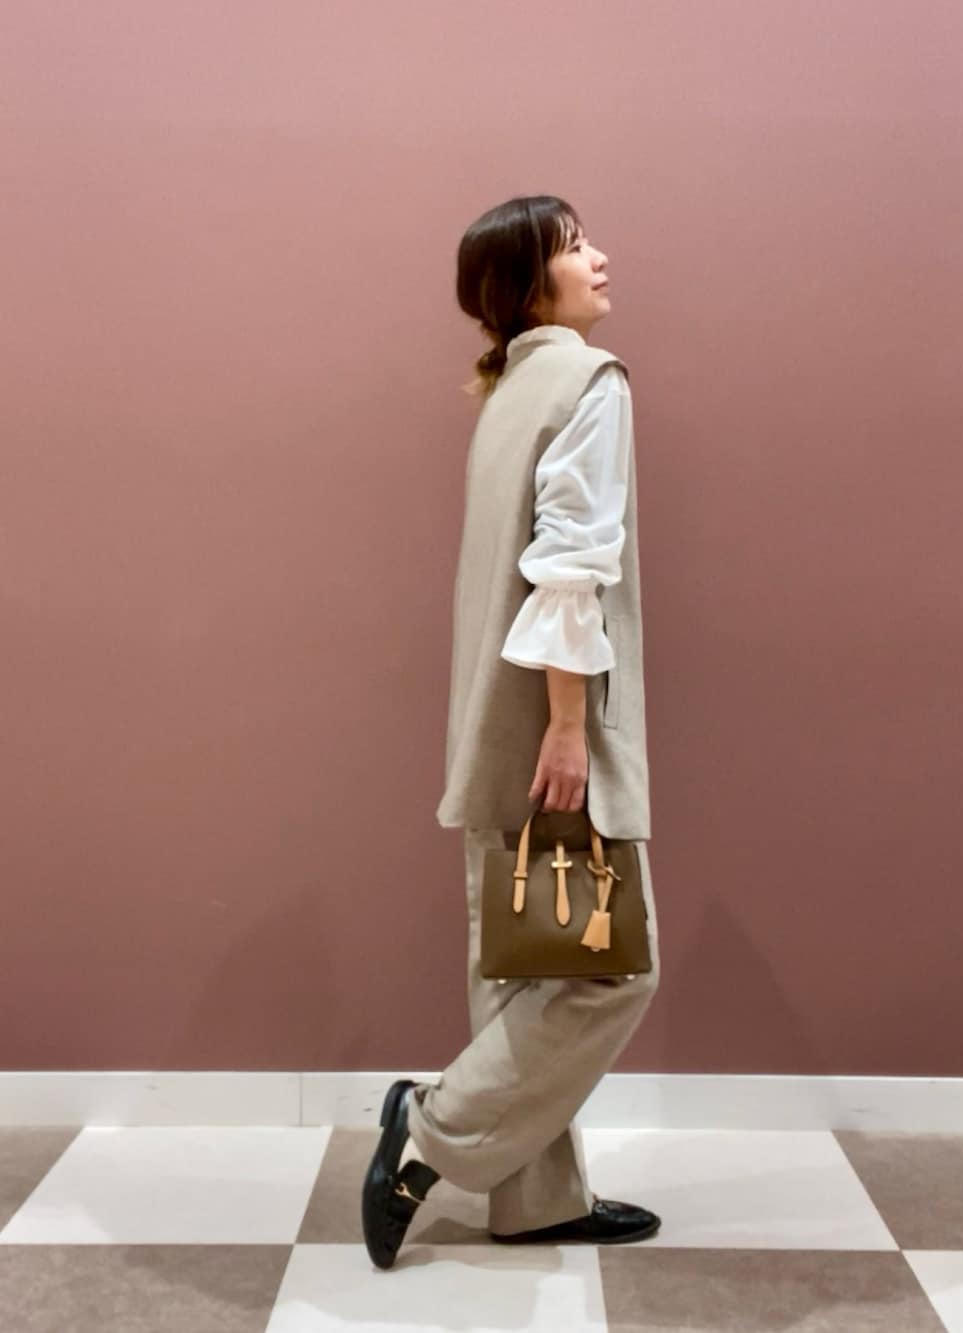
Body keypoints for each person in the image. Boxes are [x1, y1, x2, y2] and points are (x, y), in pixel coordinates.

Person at [362, 195, 661, 1270]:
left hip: (488, 726)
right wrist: (571, 727)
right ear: (533, 282)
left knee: (519, 966)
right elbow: (570, 562)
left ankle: (535, 1200)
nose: (600, 257)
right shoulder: (589, 380)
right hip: (548, 731)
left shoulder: (505, 396)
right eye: (577, 245)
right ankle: (430, 1126)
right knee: (605, 971)